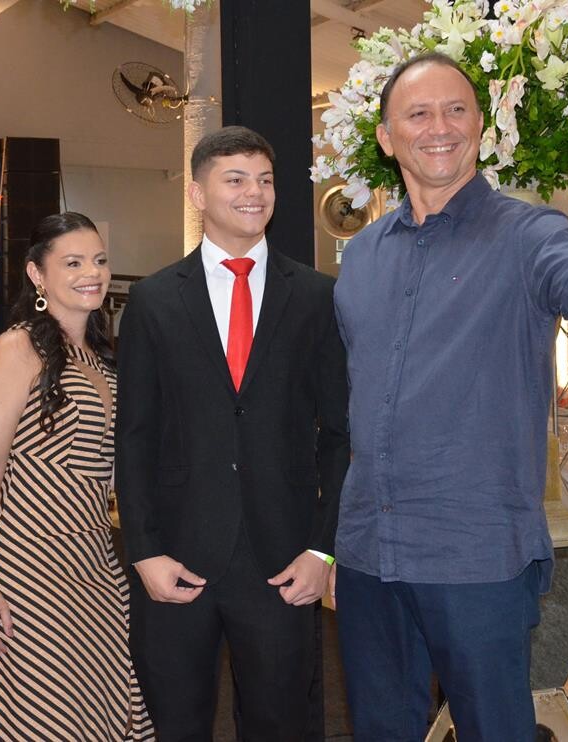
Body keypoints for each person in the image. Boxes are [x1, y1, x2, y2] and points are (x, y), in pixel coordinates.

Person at [332, 53, 568, 741]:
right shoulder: (364, 255)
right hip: (369, 548)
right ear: (386, 137)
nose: (440, 127)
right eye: (418, 113)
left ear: (481, 126)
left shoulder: (528, 233)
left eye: (457, 110)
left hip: (475, 554)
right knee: (379, 730)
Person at [115, 126, 350, 740]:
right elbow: (134, 436)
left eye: (265, 180)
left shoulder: (318, 297)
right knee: (177, 725)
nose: (255, 193)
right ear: (198, 193)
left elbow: (340, 434)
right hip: (176, 556)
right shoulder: (154, 300)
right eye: (236, 179)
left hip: (284, 561)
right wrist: (144, 550)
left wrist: (322, 550)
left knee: (282, 725)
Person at [0, 212, 154, 741]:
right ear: (37, 274)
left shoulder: (101, 359)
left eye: (100, 261)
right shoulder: (17, 349)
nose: (93, 273)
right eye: (74, 263)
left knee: (94, 706)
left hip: (94, 562)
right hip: (27, 566)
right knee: (40, 712)